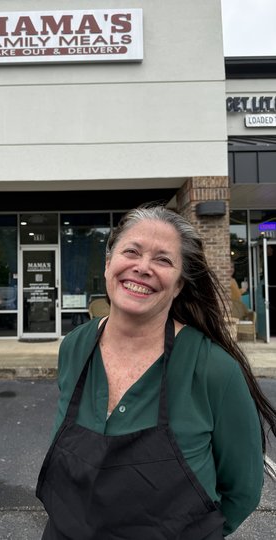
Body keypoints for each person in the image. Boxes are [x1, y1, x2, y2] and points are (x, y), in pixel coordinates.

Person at [36, 203, 276, 540]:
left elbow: (242, 490)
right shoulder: (75, 346)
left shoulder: (215, 370)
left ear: (178, 285)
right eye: (131, 252)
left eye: (163, 260)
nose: (142, 267)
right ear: (108, 264)